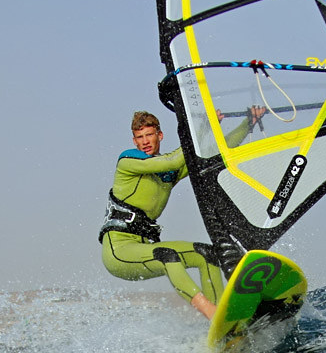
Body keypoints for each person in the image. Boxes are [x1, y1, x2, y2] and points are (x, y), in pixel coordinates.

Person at [99, 108, 265, 320]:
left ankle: (223, 318)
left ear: (160, 135)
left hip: (144, 246)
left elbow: (213, 152)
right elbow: (172, 160)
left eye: (149, 135)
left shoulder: (167, 174)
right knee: (168, 254)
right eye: (140, 137)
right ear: (134, 141)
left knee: (207, 254)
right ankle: (211, 313)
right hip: (119, 252)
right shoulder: (128, 162)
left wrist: (248, 123)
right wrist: (199, 128)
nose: (145, 142)